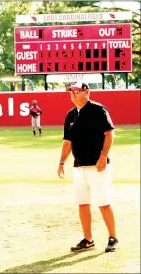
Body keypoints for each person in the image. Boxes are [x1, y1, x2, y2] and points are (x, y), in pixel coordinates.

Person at [57, 81, 118, 253]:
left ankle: (113, 237)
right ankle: (88, 239)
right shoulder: (71, 114)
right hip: (79, 167)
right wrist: (62, 162)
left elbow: (109, 133)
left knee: (103, 203)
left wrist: (103, 156)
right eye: (71, 92)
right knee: (83, 204)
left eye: (77, 91)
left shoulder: (98, 110)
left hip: (98, 167)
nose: (73, 94)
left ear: (87, 92)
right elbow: (67, 142)